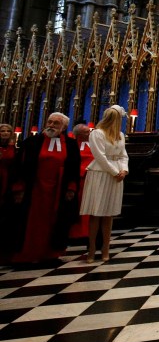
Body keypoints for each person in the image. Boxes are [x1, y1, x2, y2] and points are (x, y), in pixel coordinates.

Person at [7, 113, 80, 264]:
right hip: (34, 188)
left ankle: (51, 254)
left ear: (64, 127)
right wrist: (19, 188)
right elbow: (20, 166)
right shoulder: (32, 142)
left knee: (55, 220)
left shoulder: (71, 144)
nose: (51, 125)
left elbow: (73, 167)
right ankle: (26, 255)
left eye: (56, 123)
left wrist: (71, 188)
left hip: (58, 189)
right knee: (30, 221)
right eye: (50, 122)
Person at [82, 106, 129, 263]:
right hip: (101, 174)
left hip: (116, 176)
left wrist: (124, 170)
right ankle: (92, 249)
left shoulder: (120, 135)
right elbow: (99, 156)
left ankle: (106, 248)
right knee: (96, 213)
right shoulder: (97, 133)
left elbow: (123, 156)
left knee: (109, 214)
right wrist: (115, 172)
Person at [69, 123, 94, 241]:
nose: (89, 133)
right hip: (77, 177)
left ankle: (87, 231)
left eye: (89, 131)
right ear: (78, 134)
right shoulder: (72, 144)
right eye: (86, 132)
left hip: (92, 176)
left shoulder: (94, 143)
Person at [0, 124, 15, 202]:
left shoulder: (13, 147)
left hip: (8, 176)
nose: (6, 133)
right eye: (2, 131)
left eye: (8, 131)